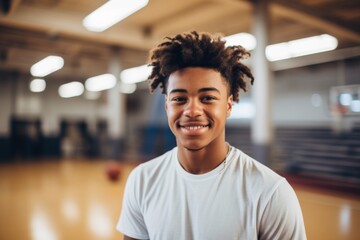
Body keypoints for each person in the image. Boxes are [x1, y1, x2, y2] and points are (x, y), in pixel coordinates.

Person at [117, 31, 307, 240]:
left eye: (207, 98)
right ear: (166, 106)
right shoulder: (142, 180)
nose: (192, 111)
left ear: (228, 106)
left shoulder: (271, 193)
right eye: (179, 99)